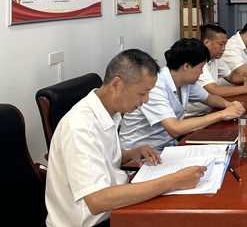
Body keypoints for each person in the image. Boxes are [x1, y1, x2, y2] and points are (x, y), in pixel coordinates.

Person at [45, 49, 207, 227]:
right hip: (93, 221)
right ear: (116, 85)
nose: (146, 100)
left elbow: (100, 159)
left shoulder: (109, 112)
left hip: (115, 208)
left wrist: (131, 154)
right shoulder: (80, 127)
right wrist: (173, 181)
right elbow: (97, 200)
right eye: (142, 93)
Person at [119, 38, 245, 152]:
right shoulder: (155, 85)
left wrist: (229, 105)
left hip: (168, 146)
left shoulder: (186, 81)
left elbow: (209, 98)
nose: (201, 73)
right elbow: (175, 129)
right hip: (141, 153)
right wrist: (222, 114)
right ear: (186, 66)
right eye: (201, 68)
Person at [186, 25, 247, 117]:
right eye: (221, 44)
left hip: (211, 109)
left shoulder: (216, 57)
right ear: (207, 42)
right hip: (194, 115)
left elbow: (230, 76)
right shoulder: (197, 62)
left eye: (225, 44)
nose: (224, 48)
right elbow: (214, 90)